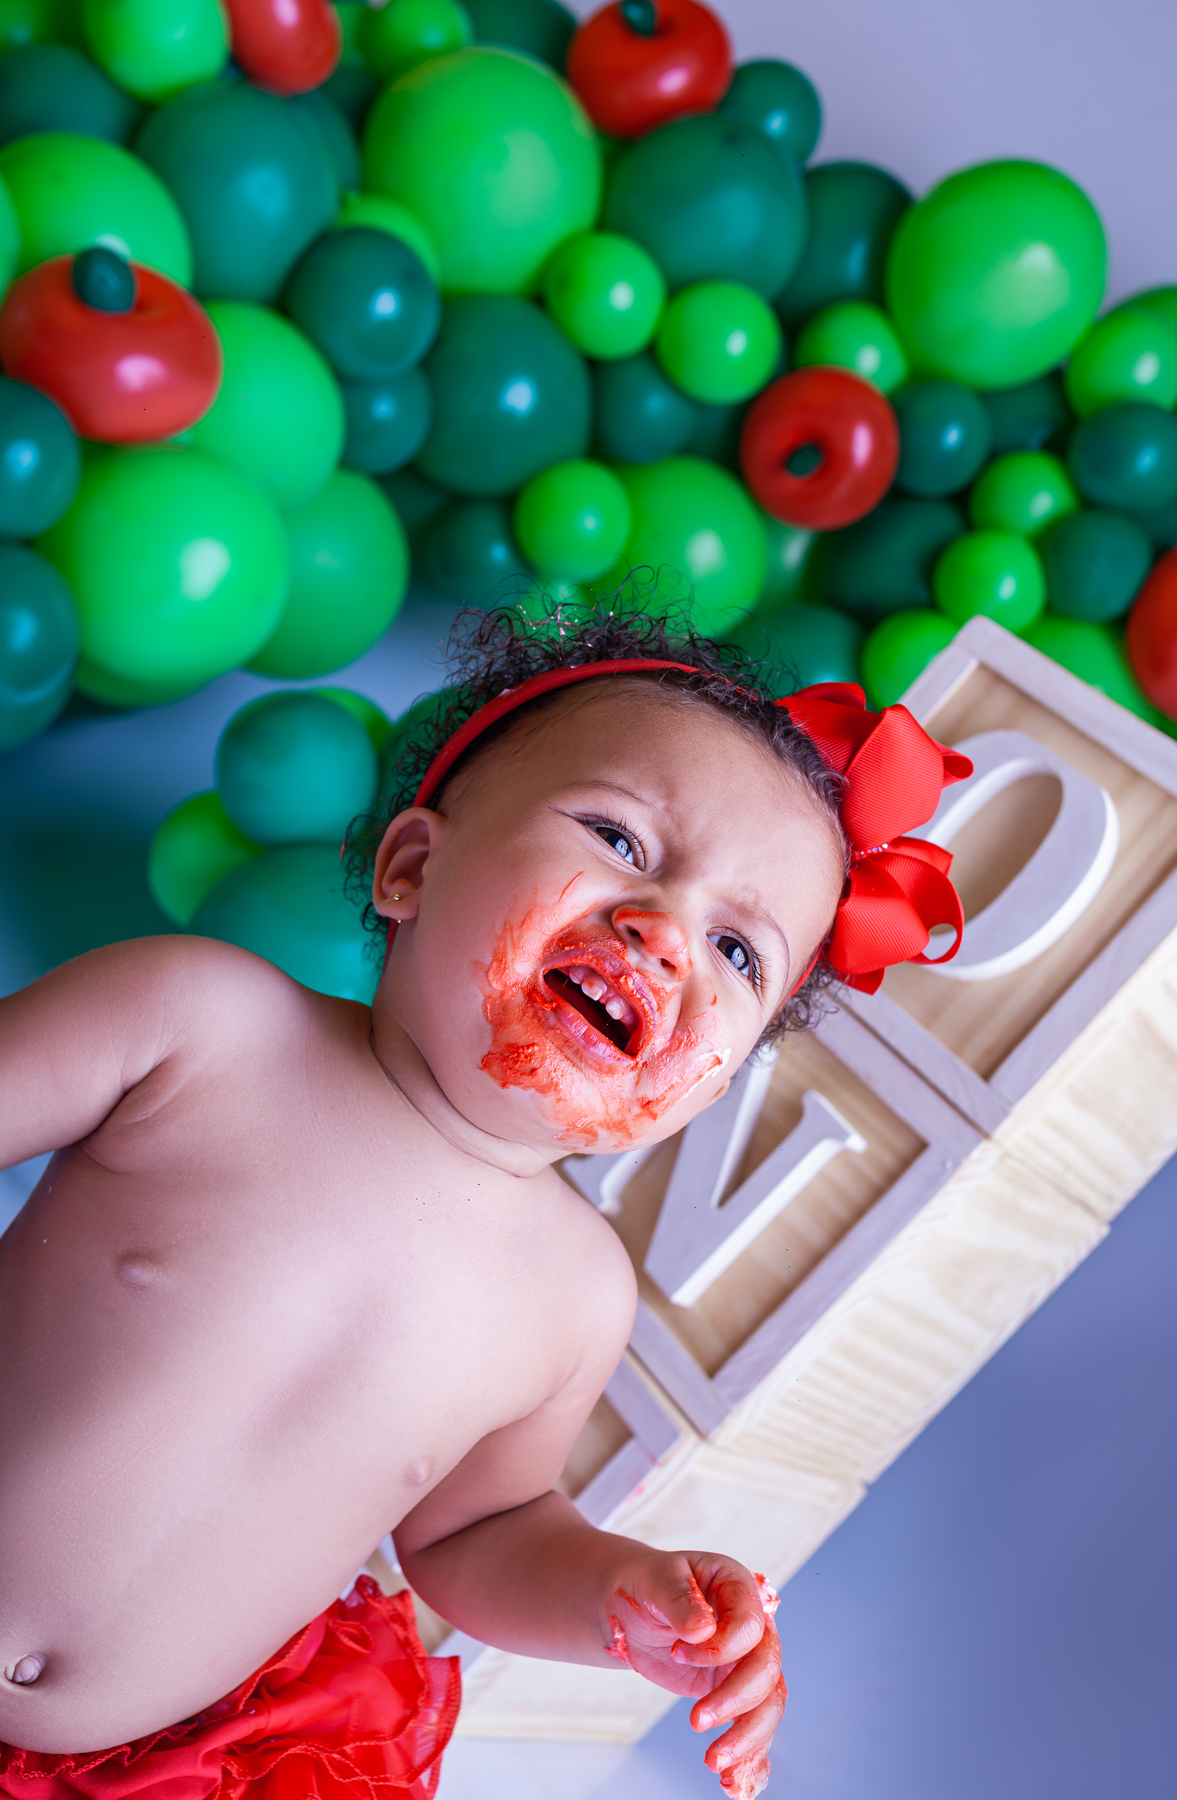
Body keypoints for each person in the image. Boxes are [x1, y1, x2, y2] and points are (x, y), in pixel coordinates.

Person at [0, 603, 969, 1798]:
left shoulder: (571, 1295)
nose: (664, 933)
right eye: (620, 838)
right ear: (412, 865)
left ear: (718, 1078)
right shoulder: (198, 1028)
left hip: (169, 1767)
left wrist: (630, 1593)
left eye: (737, 953)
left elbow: (474, 1536)